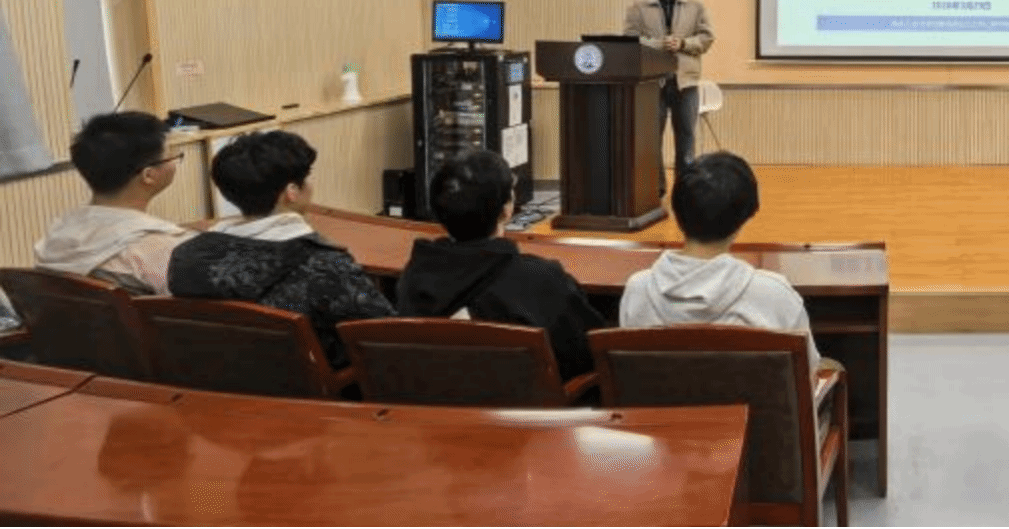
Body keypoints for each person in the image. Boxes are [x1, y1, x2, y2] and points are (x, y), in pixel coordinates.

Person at [167, 130, 393, 366]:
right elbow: (386, 336)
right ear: (291, 192)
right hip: (311, 383)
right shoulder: (324, 265)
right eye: (307, 178)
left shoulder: (185, 259)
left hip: (215, 378)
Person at [396, 149, 606, 378]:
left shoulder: (413, 276)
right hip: (526, 400)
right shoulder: (540, 279)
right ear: (506, 210)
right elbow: (592, 352)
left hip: (433, 399)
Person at [620, 152, 819, 375]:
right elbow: (808, 376)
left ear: (676, 211)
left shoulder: (637, 291)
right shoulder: (776, 296)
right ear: (745, 217)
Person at [34, 111, 189, 294]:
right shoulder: (161, 250)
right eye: (172, 155)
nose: (175, 161)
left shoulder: (56, 236)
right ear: (149, 175)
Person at [622, 0, 715, 173]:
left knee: (687, 138)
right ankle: (657, 187)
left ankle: (685, 184)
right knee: (652, 138)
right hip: (653, 81)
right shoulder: (638, 7)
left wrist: (682, 44)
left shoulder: (695, 6)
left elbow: (706, 38)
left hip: (686, 82)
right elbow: (629, 40)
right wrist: (657, 44)